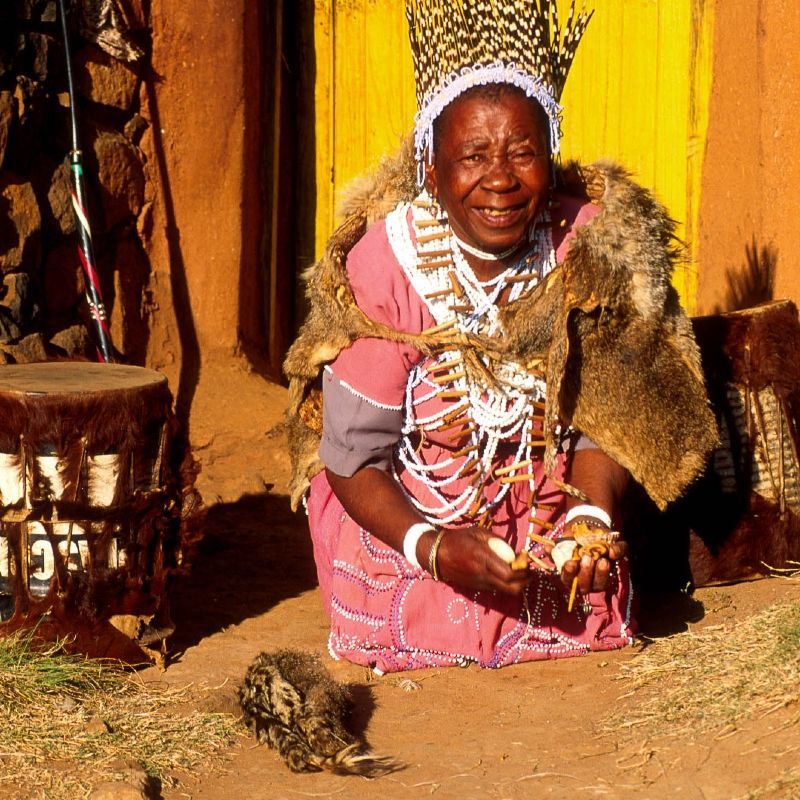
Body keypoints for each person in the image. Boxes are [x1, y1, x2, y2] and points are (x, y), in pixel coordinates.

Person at [284, 0, 716, 673]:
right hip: (411, 515)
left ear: (550, 158)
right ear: (432, 171)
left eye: (522, 152)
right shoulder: (386, 267)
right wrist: (433, 547)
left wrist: (590, 520)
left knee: (585, 595)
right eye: (473, 155)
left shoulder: (588, 249)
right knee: (426, 607)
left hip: (550, 510)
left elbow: (610, 422)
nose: (500, 179)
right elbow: (353, 460)